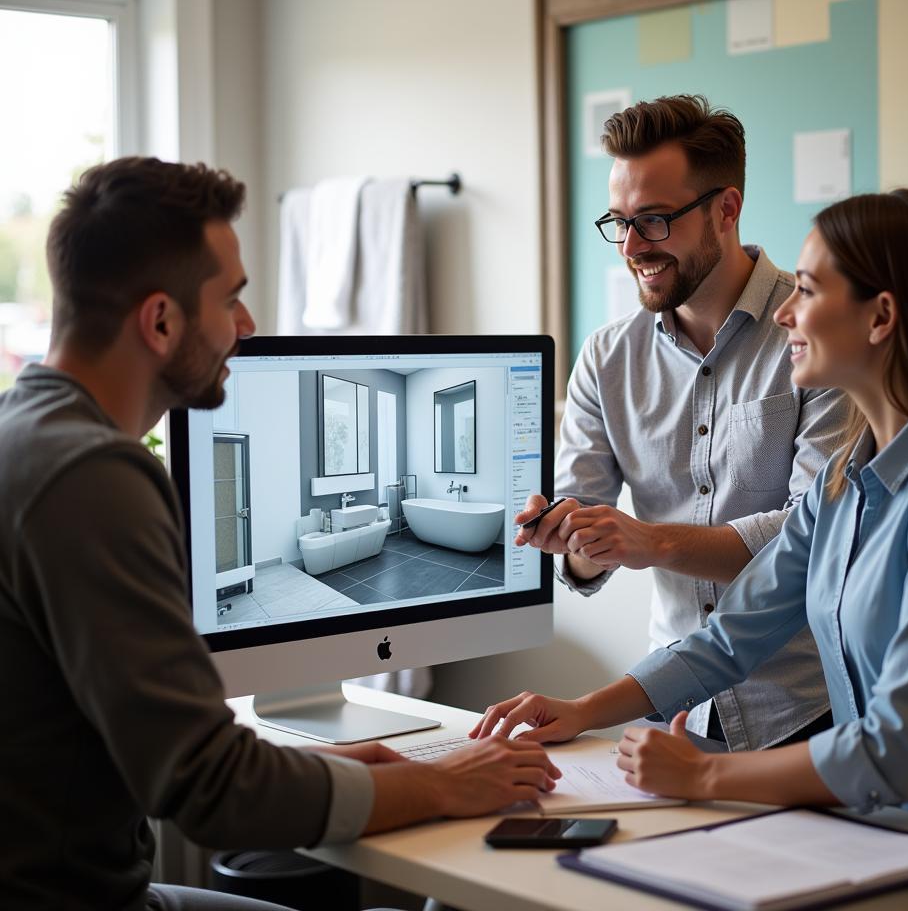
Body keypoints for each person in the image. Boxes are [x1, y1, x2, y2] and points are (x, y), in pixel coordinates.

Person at [0, 157, 560, 911]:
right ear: (160, 321)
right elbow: (210, 788)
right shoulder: (94, 475)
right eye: (230, 298)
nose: (247, 325)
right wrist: (437, 782)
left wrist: (367, 772)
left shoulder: (27, 431)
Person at [474, 190, 908, 833]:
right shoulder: (844, 482)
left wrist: (701, 777)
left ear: (880, 318)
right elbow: (731, 637)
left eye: (810, 291)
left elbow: (890, 752)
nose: (786, 312)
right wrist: (585, 709)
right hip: (882, 837)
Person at [514, 95, 847, 750]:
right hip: (671, 711)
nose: (633, 247)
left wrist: (651, 541)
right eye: (619, 222)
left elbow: (816, 537)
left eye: (656, 220)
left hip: (811, 715)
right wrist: (572, 536)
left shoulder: (816, 335)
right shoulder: (608, 357)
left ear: (726, 208)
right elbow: (588, 557)